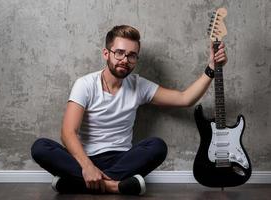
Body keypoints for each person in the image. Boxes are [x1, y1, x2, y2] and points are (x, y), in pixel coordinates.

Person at [31, 25, 227, 195]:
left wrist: (211, 67)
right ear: (106, 53)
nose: (125, 59)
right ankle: (117, 186)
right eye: (119, 53)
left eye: (131, 55)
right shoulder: (85, 84)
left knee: (157, 146)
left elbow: (185, 99)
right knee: (40, 147)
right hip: (85, 159)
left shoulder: (138, 85)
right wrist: (88, 167)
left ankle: (79, 185)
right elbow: (68, 132)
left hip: (122, 159)